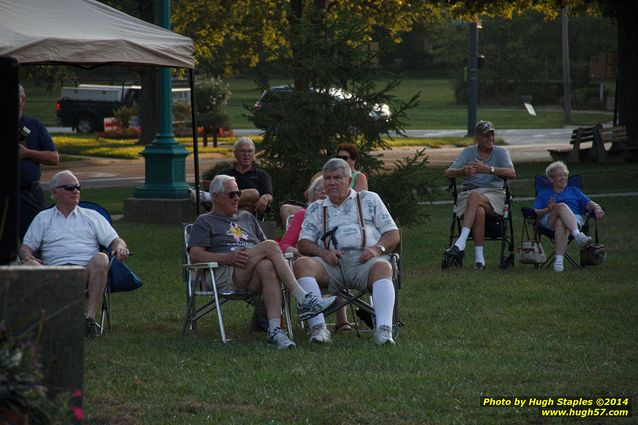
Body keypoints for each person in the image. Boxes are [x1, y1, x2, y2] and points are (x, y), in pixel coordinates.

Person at [187, 174, 337, 349]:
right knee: (271, 246)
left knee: (267, 266)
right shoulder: (205, 221)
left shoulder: (246, 217)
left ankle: (274, 330)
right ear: (215, 197)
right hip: (224, 273)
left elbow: (264, 249)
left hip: (251, 272)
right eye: (231, 194)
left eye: (238, 193)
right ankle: (303, 299)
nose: (237, 198)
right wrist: (227, 258)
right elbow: (195, 255)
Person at [293, 158, 400, 346]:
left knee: (383, 266)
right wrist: (323, 252)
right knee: (302, 264)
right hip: (330, 265)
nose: (331, 183)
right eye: (327, 178)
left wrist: (376, 250)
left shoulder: (369, 199)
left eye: (337, 178)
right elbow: (303, 243)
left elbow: (392, 233)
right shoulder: (316, 208)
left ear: (349, 181)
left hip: (365, 262)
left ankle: (384, 331)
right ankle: (319, 329)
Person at [18, 170, 129, 337]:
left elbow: (115, 240)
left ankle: (89, 320)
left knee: (102, 258)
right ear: (54, 192)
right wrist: (27, 257)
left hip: (85, 271)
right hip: (52, 272)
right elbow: (26, 248)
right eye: (70, 187)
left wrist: (120, 247)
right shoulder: (43, 218)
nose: (75, 191)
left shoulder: (92, 216)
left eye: (78, 186)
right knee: (28, 264)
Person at [442, 120, 516, 270]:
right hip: (470, 195)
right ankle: (479, 260)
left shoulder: (501, 152)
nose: (490, 138)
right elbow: (448, 172)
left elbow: (512, 173)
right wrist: (463, 171)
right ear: (477, 138)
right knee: (478, 209)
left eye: (492, 135)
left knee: (475, 197)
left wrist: (489, 170)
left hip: (495, 195)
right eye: (485, 136)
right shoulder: (468, 152)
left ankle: (460, 243)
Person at [533, 161, 603, 272]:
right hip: (549, 221)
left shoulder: (574, 191)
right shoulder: (543, 193)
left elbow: (589, 203)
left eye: (565, 175)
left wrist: (597, 207)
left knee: (561, 223)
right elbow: (535, 212)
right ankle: (578, 236)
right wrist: (548, 209)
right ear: (551, 179)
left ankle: (559, 262)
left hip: (574, 220)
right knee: (561, 206)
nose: (564, 177)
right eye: (560, 175)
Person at [18, 84, 60, 240]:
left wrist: (28, 153)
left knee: (36, 240)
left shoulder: (34, 126)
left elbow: (54, 158)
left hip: (30, 194)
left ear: (22, 100)